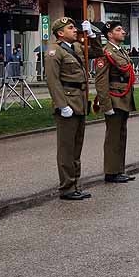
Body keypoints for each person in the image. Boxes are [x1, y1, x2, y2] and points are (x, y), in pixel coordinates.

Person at [44, 17, 101, 201]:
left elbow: (97, 52)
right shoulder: (54, 51)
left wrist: (92, 35)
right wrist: (62, 105)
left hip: (80, 102)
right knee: (66, 149)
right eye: (70, 28)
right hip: (68, 102)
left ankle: (75, 183)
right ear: (60, 33)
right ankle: (67, 187)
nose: (75, 30)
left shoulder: (76, 47)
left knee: (77, 147)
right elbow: (52, 81)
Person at [93, 21, 137, 184]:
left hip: (123, 97)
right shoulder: (105, 53)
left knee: (121, 135)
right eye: (118, 30)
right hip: (114, 97)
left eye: (122, 29)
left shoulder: (120, 51)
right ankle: (111, 171)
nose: (123, 32)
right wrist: (106, 105)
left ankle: (119, 169)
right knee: (113, 136)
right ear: (109, 34)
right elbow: (101, 81)